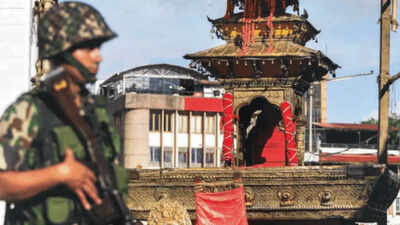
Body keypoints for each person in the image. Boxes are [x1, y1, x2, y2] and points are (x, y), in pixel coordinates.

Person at [0, 1, 128, 225]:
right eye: (88, 47)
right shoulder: (32, 109)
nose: (98, 56)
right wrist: (59, 174)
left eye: (98, 47)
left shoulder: (96, 110)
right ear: (61, 50)